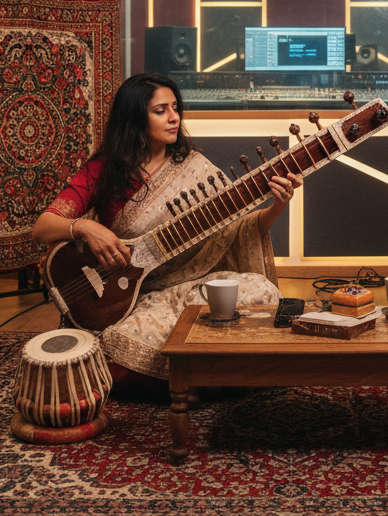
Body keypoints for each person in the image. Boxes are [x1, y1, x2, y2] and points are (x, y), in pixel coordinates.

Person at [33, 72, 299, 388]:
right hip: (131, 297)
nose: (174, 117)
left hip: (186, 285)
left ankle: (194, 377)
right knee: (121, 347)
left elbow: (237, 231)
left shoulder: (193, 165)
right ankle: (216, 378)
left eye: (175, 107)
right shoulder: (104, 170)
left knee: (261, 291)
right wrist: (86, 227)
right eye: (161, 110)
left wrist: (277, 206)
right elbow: (43, 229)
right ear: (134, 118)